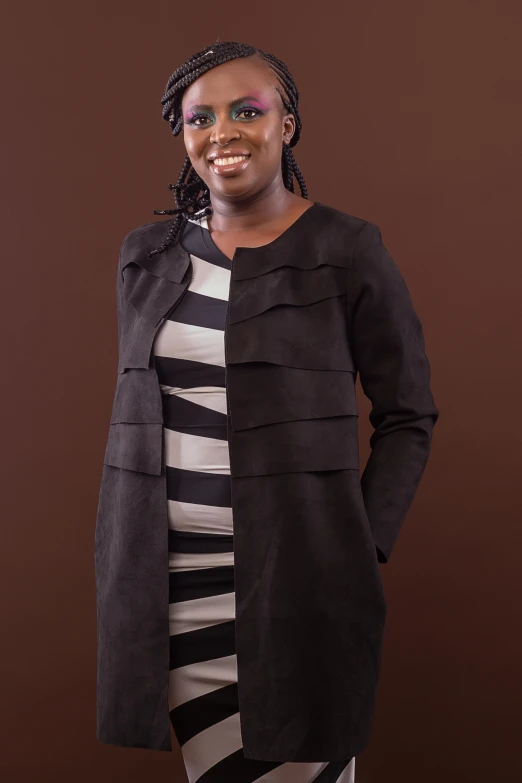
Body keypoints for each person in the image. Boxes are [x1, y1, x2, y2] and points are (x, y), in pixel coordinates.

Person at [94, 40, 439, 783]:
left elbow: (409, 412)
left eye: (248, 111)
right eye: (201, 117)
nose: (223, 132)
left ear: (287, 124)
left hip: (302, 586)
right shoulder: (145, 257)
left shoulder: (346, 248)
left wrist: (360, 542)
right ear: (182, 135)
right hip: (173, 591)